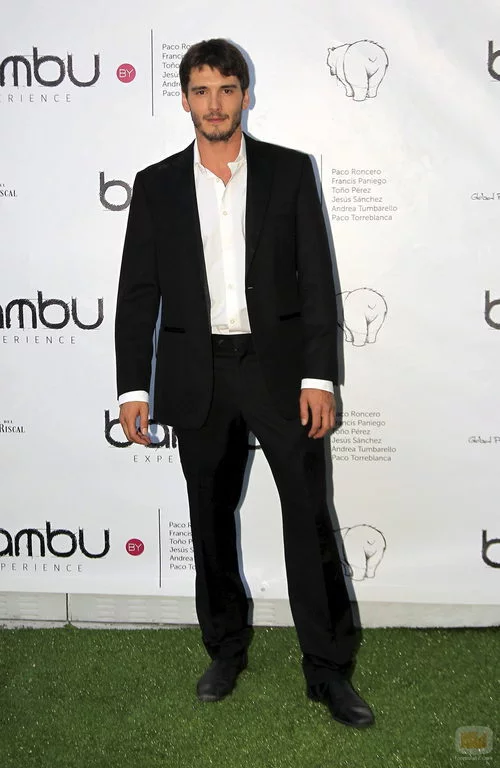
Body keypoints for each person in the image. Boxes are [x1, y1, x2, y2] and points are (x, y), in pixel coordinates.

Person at [115, 38, 374, 728]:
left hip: (280, 370)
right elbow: (137, 295)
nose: (215, 104)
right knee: (208, 520)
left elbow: (316, 280)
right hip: (196, 373)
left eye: (226, 90)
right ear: (184, 100)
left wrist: (320, 375)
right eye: (201, 91)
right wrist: (133, 388)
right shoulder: (158, 185)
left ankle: (328, 669)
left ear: (245, 95)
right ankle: (225, 651)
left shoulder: (289, 171)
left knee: (308, 516)